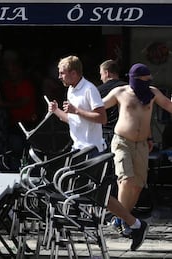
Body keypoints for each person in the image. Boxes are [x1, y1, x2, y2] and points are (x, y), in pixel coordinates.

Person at [49, 55, 148, 251]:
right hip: (78, 151)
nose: (59, 76)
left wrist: (76, 111)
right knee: (93, 195)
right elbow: (73, 121)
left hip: (92, 151)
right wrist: (57, 112)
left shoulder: (89, 89)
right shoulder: (71, 90)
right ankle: (133, 225)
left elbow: (102, 118)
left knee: (95, 195)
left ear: (74, 73)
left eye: (62, 72)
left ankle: (128, 225)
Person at [103, 63, 172, 244]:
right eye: (143, 80)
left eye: (149, 80)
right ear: (134, 80)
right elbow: (99, 107)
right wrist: (74, 110)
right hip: (122, 142)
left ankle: (120, 219)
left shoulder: (152, 93)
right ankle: (126, 220)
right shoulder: (120, 92)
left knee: (138, 186)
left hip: (142, 145)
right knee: (126, 180)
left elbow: (168, 105)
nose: (147, 83)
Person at [0, 59, 37, 160]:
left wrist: (3, 104)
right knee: (15, 150)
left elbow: (23, 102)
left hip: (27, 122)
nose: (12, 74)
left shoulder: (26, 85)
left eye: (14, 71)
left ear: (20, 71)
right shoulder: (6, 85)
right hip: (12, 123)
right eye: (10, 71)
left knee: (26, 150)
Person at [97, 59, 127, 145]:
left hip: (106, 133)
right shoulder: (128, 88)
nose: (100, 78)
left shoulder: (98, 91)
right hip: (126, 132)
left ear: (107, 73)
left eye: (101, 74)